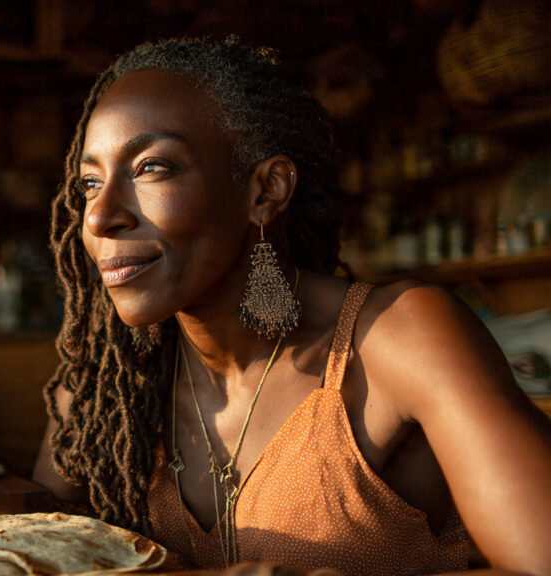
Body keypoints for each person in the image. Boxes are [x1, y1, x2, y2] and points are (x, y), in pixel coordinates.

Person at [32, 36, 551, 576]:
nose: (99, 218)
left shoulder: (398, 337)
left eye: (151, 167)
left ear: (266, 191)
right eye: (90, 182)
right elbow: (29, 542)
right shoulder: (108, 384)